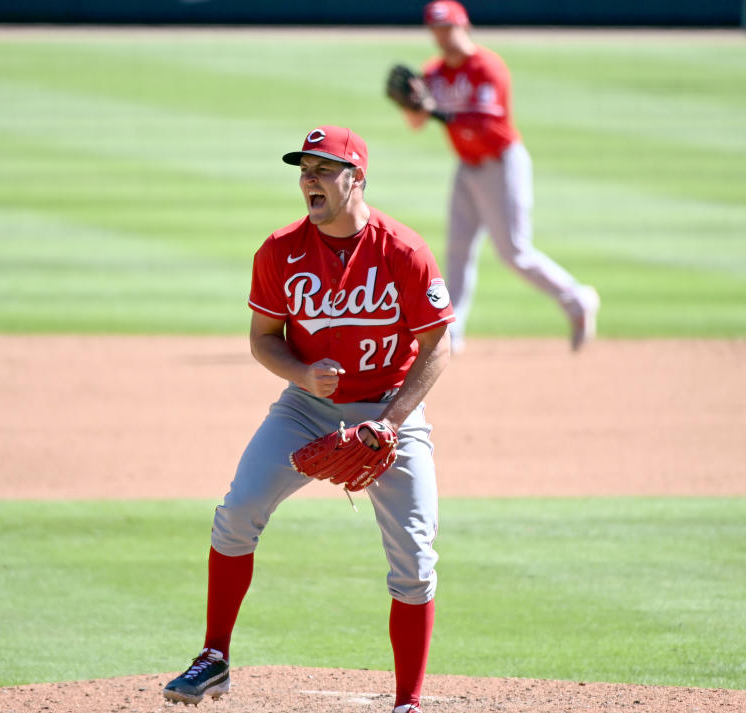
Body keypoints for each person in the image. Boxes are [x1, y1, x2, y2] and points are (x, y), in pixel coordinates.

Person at [162, 125, 455, 713]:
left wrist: (391, 423)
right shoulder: (279, 251)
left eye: (323, 169)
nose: (309, 181)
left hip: (390, 408)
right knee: (237, 511)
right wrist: (300, 375)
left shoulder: (402, 250)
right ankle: (213, 659)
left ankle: (409, 702)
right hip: (306, 408)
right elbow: (263, 339)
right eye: (304, 170)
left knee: (416, 559)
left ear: (357, 179)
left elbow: (437, 346)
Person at [396, 0, 599, 353]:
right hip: (467, 167)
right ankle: (451, 333)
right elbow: (417, 123)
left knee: (515, 252)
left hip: (502, 164)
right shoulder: (434, 73)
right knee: (457, 250)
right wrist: (410, 105)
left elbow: (485, 126)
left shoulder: (488, 67)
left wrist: (435, 111)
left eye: (449, 28)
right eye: (437, 30)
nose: (443, 37)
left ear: (464, 26)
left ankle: (577, 299)